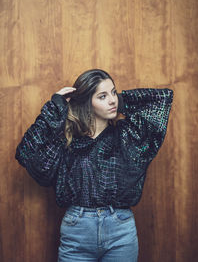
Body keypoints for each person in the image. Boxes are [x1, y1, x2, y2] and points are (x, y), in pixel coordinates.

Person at [15, 69, 173, 262]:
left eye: (113, 92)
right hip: (77, 229)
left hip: (120, 229)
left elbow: (160, 100)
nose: (112, 100)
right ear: (87, 102)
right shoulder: (66, 141)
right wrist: (55, 106)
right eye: (102, 96)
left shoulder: (127, 136)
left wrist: (117, 101)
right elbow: (27, 152)